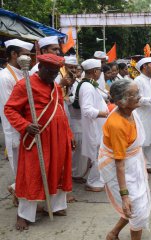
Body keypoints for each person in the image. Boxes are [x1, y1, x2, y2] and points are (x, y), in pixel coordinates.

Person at [4, 54, 73, 230]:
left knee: (58, 170)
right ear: (40, 67)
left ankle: (55, 206)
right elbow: (10, 109)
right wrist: (25, 125)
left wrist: (69, 134)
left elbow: (61, 111)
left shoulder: (56, 87)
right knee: (32, 173)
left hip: (59, 136)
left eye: (56, 72)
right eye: (50, 71)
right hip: (37, 137)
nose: (53, 75)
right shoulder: (24, 85)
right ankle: (24, 215)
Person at [98, 79, 151, 240]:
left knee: (135, 206)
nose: (139, 97)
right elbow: (119, 163)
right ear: (121, 101)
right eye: (135, 94)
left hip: (132, 162)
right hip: (118, 167)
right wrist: (124, 196)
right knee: (134, 208)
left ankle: (113, 234)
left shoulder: (130, 111)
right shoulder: (117, 124)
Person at [0, 39, 33, 206]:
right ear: (14, 55)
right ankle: (20, 195)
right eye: (25, 55)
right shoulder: (4, 77)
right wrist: (24, 126)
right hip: (16, 129)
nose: (29, 59)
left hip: (29, 128)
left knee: (27, 168)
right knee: (21, 169)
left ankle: (17, 193)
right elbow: (9, 109)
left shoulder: (25, 73)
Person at [79, 59, 109, 192]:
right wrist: (105, 113)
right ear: (94, 71)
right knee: (97, 154)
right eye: (100, 70)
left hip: (97, 125)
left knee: (99, 153)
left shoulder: (90, 85)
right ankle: (92, 182)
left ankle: (96, 179)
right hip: (93, 126)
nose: (101, 73)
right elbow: (87, 110)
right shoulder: (87, 87)